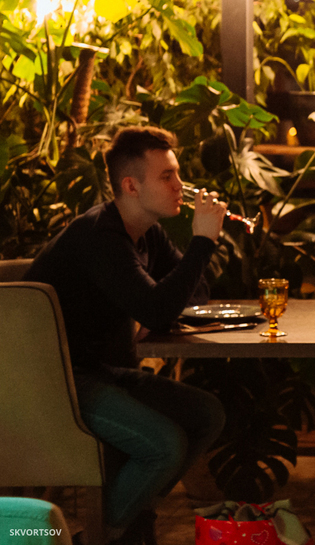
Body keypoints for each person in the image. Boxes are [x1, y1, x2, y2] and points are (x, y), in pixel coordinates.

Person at [26, 127, 227, 544]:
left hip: (98, 372)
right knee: (165, 446)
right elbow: (157, 307)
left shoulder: (146, 232)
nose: (180, 186)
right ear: (131, 186)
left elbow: (195, 293)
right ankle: (103, 536)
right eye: (167, 176)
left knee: (207, 413)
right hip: (53, 383)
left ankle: (123, 519)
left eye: (177, 174)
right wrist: (202, 242)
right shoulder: (100, 236)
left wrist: (157, 304)